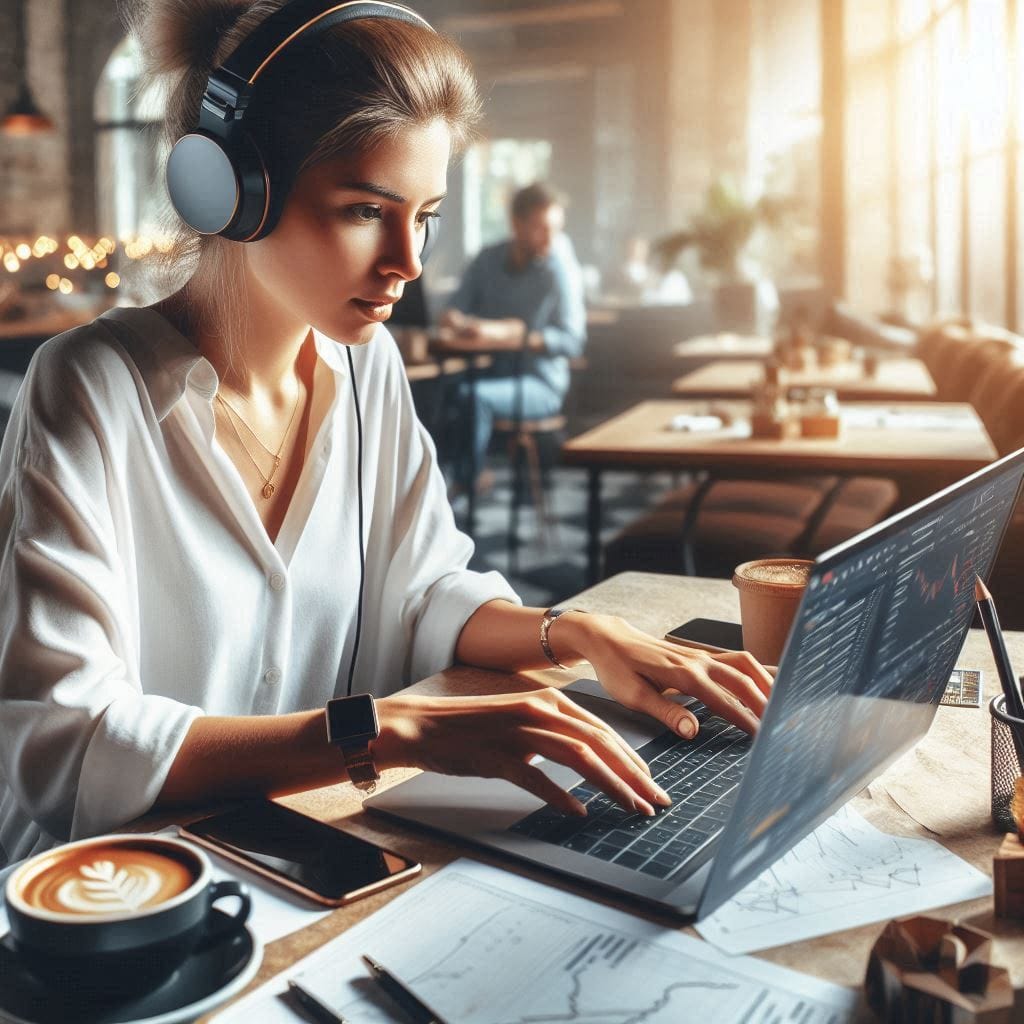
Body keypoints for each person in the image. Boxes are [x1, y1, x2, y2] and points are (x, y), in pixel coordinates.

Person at [0, 0, 771, 867]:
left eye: (426, 214)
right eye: (369, 210)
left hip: (305, 859)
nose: (409, 260)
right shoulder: (89, 389)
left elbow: (423, 588)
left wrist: (578, 633)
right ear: (234, 191)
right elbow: (66, 746)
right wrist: (384, 732)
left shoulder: (369, 371)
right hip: (111, 902)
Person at [439, 182, 585, 491]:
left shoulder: (560, 269)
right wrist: (457, 319)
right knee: (436, 391)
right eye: (541, 228)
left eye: (555, 229)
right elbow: (453, 309)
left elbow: (573, 340)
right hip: (489, 371)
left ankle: (467, 482)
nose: (550, 238)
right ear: (516, 224)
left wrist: (517, 337)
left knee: (473, 397)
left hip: (540, 383)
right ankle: (426, 490)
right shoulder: (488, 260)